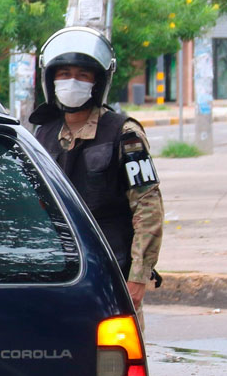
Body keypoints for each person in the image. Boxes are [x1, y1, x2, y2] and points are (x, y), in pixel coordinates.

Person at [30, 26, 164, 321]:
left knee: (114, 361)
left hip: (110, 271)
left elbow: (148, 205)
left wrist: (138, 276)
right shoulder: (41, 134)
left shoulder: (124, 133)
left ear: (98, 81)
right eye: (63, 74)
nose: (71, 81)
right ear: (50, 79)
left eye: (82, 75)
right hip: (54, 272)